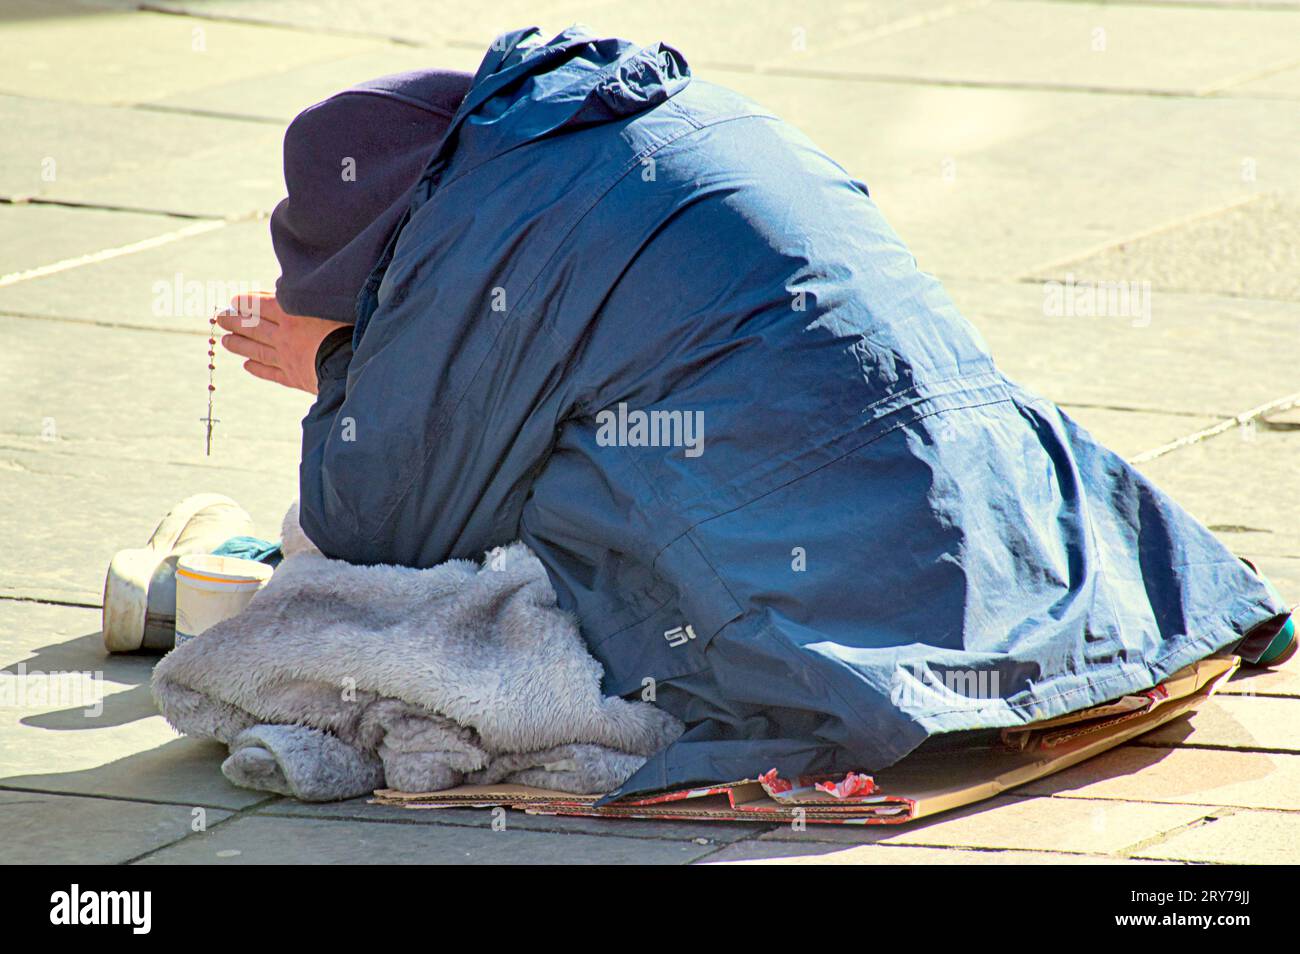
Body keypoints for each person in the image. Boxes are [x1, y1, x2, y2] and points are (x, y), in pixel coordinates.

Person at [113, 27, 1295, 801]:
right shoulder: (629, 125)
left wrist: (339, 371)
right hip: (1019, 521)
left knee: (518, 515)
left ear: (385, 259)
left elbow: (389, 523)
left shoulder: (473, 240)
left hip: (839, 591)